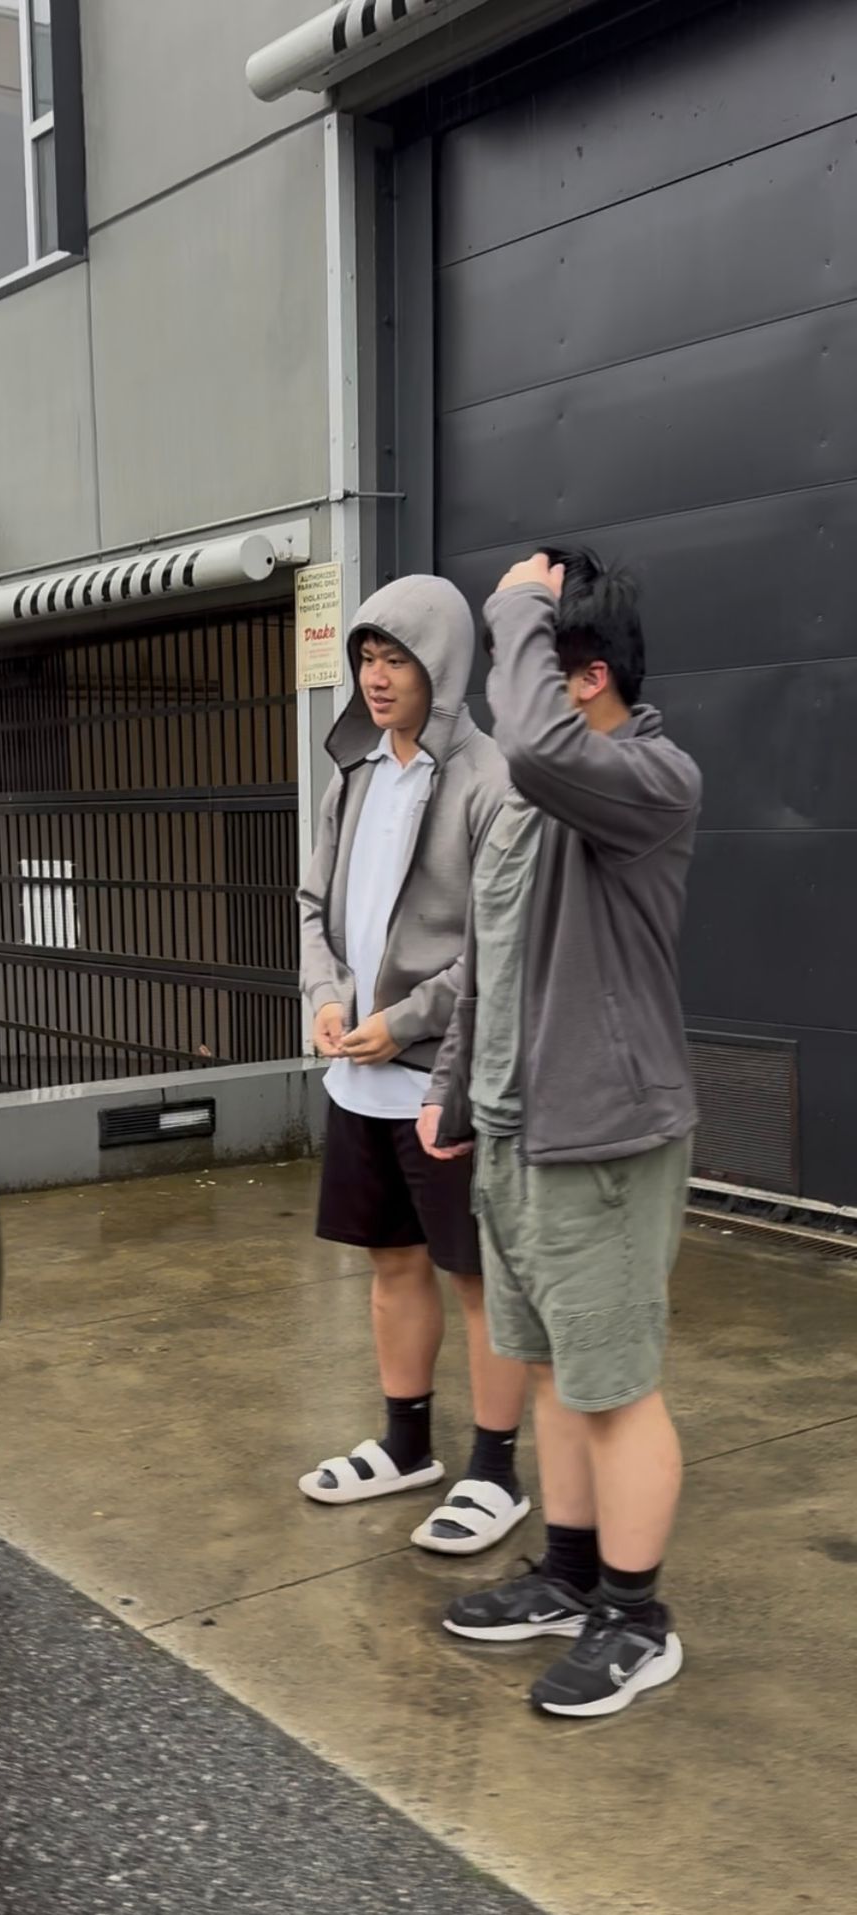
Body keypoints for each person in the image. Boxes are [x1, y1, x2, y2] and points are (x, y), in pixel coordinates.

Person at [419, 547, 701, 1719]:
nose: (504, 686)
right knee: (552, 1372)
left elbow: (534, 745)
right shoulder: (527, 816)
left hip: (603, 1142)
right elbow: (484, 962)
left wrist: (514, 602)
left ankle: (638, 1616)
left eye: (527, 658)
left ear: (577, 674)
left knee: (617, 1384)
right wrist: (448, 1082)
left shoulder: (650, 779)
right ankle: (573, 1575)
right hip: (512, 1136)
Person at [298, 575, 530, 1556]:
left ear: (442, 660)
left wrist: (406, 1020)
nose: (376, 675)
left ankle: (495, 1468)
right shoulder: (351, 770)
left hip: (448, 1076)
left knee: (476, 1274)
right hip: (359, 1073)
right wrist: (325, 994)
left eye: (395, 656)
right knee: (390, 1259)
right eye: (365, 655)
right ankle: (406, 1443)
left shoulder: (490, 777)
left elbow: (498, 947)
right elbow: (313, 902)